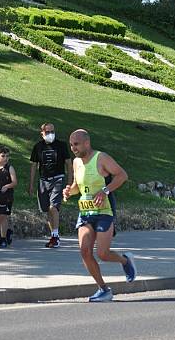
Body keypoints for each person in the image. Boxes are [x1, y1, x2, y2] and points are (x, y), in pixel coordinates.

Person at [63, 129, 136, 302]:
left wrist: (105, 190)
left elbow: (122, 175)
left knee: (103, 254)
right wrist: (69, 191)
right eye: (71, 144)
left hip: (104, 212)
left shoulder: (101, 158)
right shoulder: (76, 162)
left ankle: (125, 261)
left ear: (87, 143)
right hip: (86, 213)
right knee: (85, 251)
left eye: (76, 144)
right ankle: (103, 289)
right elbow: (77, 186)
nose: (73, 148)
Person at [29, 123, 72, 248]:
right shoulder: (38, 147)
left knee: (53, 207)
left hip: (58, 178)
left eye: (52, 131)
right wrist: (31, 184)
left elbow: (69, 164)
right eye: (47, 132)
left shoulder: (61, 145)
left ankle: (55, 236)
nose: (50, 134)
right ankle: (54, 235)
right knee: (47, 209)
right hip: (43, 181)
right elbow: (33, 166)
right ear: (42, 133)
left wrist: (69, 183)